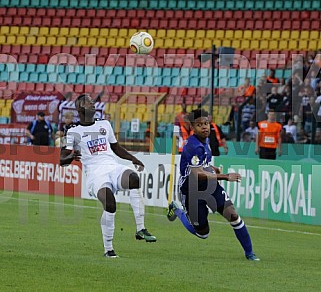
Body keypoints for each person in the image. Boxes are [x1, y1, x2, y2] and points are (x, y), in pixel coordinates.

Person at [60, 94, 156, 258]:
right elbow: (62, 160)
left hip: (113, 167)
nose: (92, 103)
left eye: (92, 101)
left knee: (134, 178)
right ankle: (108, 249)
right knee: (110, 203)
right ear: (79, 108)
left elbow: (116, 148)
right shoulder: (73, 131)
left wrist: (134, 159)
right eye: (87, 102)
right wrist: (70, 157)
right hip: (95, 175)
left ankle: (140, 228)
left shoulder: (105, 124)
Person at [167, 109, 259, 261]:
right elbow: (197, 174)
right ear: (192, 127)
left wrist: (212, 168)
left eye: (206, 123)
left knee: (234, 216)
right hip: (191, 191)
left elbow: (203, 165)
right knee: (203, 234)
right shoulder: (193, 146)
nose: (204, 127)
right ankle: (177, 210)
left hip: (209, 186)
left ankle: (250, 253)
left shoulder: (206, 140)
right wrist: (224, 176)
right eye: (199, 125)